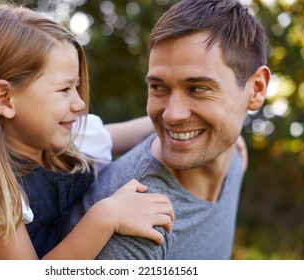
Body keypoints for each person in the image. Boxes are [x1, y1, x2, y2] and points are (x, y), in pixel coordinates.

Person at [0, 4, 175, 260]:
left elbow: (141, 129)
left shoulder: (70, 139)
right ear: (5, 99)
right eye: (64, 90)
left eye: (77, 87)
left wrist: (177, 116)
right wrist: (106, 216)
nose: (79, 103)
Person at [64, 0, 271, 259]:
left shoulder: (234, 159)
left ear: (257, 89)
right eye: (158, 87)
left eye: (197, 89)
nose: (172, 116)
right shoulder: (139, 228)